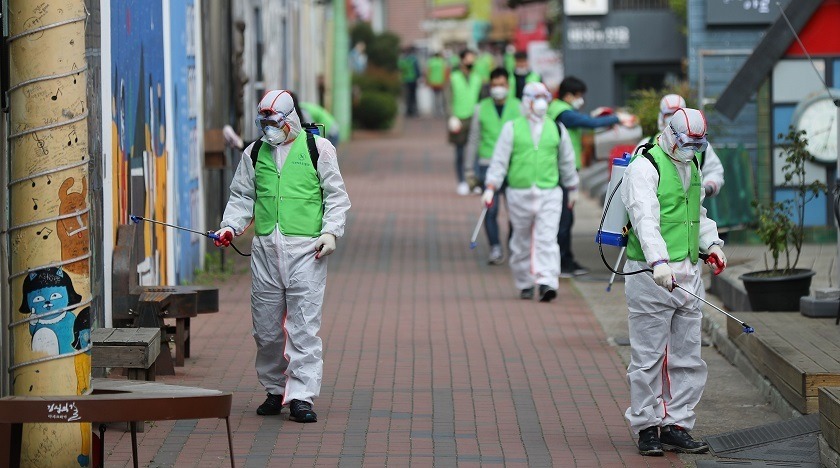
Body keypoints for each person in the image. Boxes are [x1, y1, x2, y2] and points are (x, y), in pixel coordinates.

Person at [215, 89, 351, 423]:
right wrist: (229, 227)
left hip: (308, 251)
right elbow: (242, 197)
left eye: (274, 122)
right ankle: (275, 390)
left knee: (303, 326)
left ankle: (302, 396)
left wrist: (331, 233)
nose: (269, 128)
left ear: (290, 119)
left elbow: (336, 196)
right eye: (264, 122)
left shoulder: (317, 149)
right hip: (265, 252)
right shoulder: (255, 152)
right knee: (266, 329)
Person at [620, 108, 725, 456]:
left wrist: (711, 245)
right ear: (671, 134)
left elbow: (696, 212)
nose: (692, 150)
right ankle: (647, 426)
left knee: (687, 355)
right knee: (649, 357)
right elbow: (644, 217)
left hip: (689, 271)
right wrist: (658, 262)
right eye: (688, 143)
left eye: (699, 145)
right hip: (650, 274)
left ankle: (677, 424)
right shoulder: (644, 166)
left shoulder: (690, 162)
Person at [483, 82, 579, 302]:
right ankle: (525, 282)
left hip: (549, 192)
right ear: (526, 101)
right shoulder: (512, 128)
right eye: (536, 98)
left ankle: (547, 282)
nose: (540, 103)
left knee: (547, 238)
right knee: (521, 239)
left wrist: (572, 186)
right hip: (519, 192)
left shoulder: (556, 128)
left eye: (544, 97)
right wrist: (491, 186)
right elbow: (499, 161)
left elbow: (567, 161)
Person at [548, 76, 636, 278]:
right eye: (579, 96)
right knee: (564, 219)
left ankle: (565, 260)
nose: (581, 100)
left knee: (566, 219)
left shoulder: (560, 109)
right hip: (561, 174)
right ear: (569, 95)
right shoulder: (562, 112)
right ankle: (563, 263)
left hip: (564, 172)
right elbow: (587, 122)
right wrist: (617, 119)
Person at [464, 67, 522, 265]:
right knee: (490, 208)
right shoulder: (481, 107)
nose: (498, 88)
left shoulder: (519, 107)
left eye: (502, 85)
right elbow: (473, 139)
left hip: (514, 166)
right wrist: (469, 170)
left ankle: (513, 246)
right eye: (495, 85)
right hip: (487, 165)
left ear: (508, 85)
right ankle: (495, 247)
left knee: (515, 210)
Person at [636, 94, 725, 198]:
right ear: (661, 117)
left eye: (677, 113)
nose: (673, 118)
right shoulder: (645, 146)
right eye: (669, 114)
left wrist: (707, 188)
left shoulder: (700, 145)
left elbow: (715, 171)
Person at [449, 49, 484, 196]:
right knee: (459, 152)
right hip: (458, 118)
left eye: (473, 59)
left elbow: (481, 98)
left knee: (475, 152)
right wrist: (451, 117)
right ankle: (462, 181)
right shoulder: (454, 77)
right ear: (462, 60)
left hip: (474, 118)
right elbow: (448, 98)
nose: (471, 62)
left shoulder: (477, 77)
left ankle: (473, 182)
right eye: (469, 58)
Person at [398, 47, 421, 117]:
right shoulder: (414, 59)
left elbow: (400, 68)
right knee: (413, 96)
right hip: (413, 79)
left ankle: (408, 111)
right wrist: (418, 77)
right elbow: (417, 69)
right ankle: (414, 111)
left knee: (407, 96)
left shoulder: (403, 60)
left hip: (405, 79)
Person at [425, 52, 449, 117]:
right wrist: (446, 81)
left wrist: (427, 81)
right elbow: (446, 71)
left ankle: (435, 111)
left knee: (435, 97)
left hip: (433, 82)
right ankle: (441, 111)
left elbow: (428, 72)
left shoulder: (431, 62)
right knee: (441, 97)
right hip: (441, 81)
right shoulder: (442, 62)